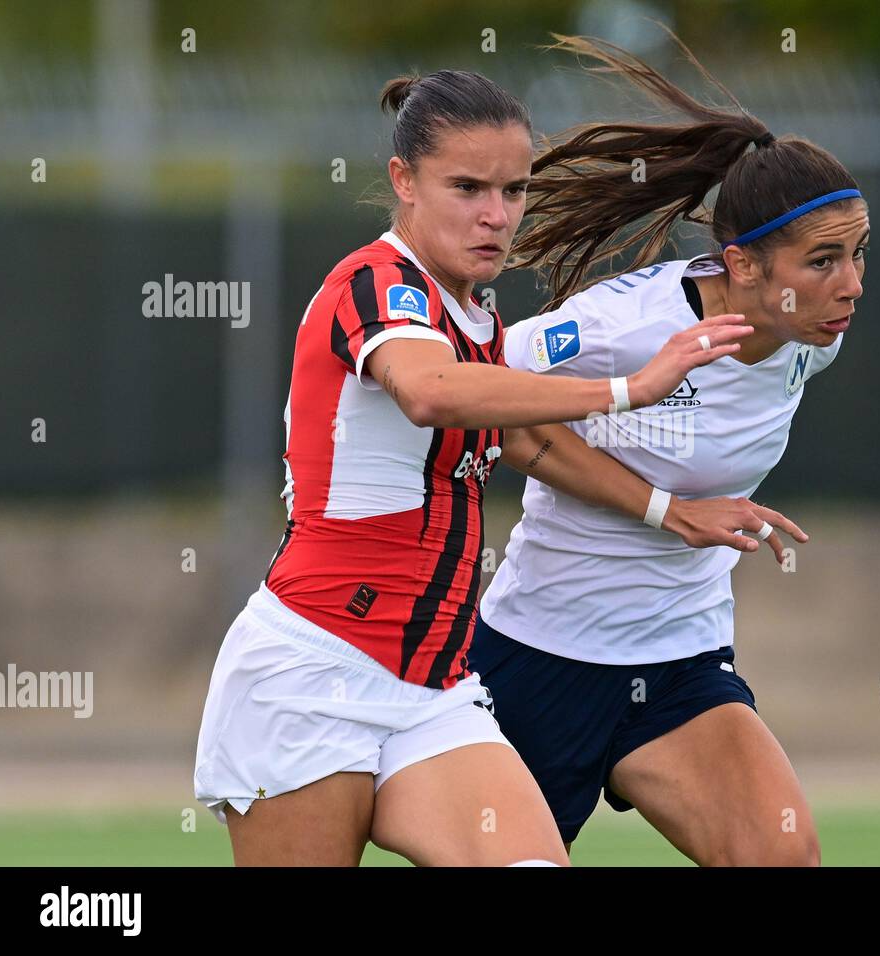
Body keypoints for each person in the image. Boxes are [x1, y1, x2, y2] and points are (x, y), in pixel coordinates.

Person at [192, 67, 800, 867]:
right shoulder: (373, 282)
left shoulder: (477, 319)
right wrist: (630, 389)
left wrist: (663, 509)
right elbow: (428, 392)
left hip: (435, 691)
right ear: (403, 182)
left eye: (513, 191)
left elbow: (526, 438)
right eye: (468, 187)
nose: (495, 215)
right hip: (313, 671)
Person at [469, 34, 869, 865]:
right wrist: (667, 510)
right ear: (741, 266)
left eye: (858, 254)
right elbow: (487, 405)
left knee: (781, 855)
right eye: (823, 259)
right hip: (545, 655)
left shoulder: (813, 339)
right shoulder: (629, 325)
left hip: (682, 659)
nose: (851, 283)